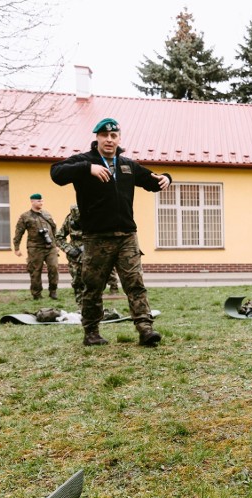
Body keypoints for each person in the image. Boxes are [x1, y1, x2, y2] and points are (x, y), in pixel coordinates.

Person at [50, 118, 171, 347]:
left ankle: (145, 329)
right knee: (94, 286)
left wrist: (166, 178)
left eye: (113, 136)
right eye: (104, 135)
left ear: (119, 139)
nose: (109, 139)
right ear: (97, 138)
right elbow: (56, 173)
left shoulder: (127, 165)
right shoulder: (85, 162)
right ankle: (92, 332)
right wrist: (88, 168)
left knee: (135, 283)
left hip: (126, 236)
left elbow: (152, 181)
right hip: (97, 238)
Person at [55, 204, 120, 310]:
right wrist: (69, 249)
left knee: (96, 283)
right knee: (77, 283)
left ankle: (96, 308)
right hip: (75, 257)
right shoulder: (69, 219)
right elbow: (58, 237)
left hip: (94, 255)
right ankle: (82, 309)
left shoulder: (97, 218)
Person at [12, 193, 59, 300]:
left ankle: (53, 291)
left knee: (54, 268)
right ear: (32, 201)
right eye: (38, 201)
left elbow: (54, 228)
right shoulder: (25, 216)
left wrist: (56, 244)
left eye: (42, 201)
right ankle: (37, 294)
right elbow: (19, 232)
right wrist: (16, 248)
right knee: (35, 270)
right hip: (35, 247)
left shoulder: (47, 214)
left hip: (50, 246)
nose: (41, 203)